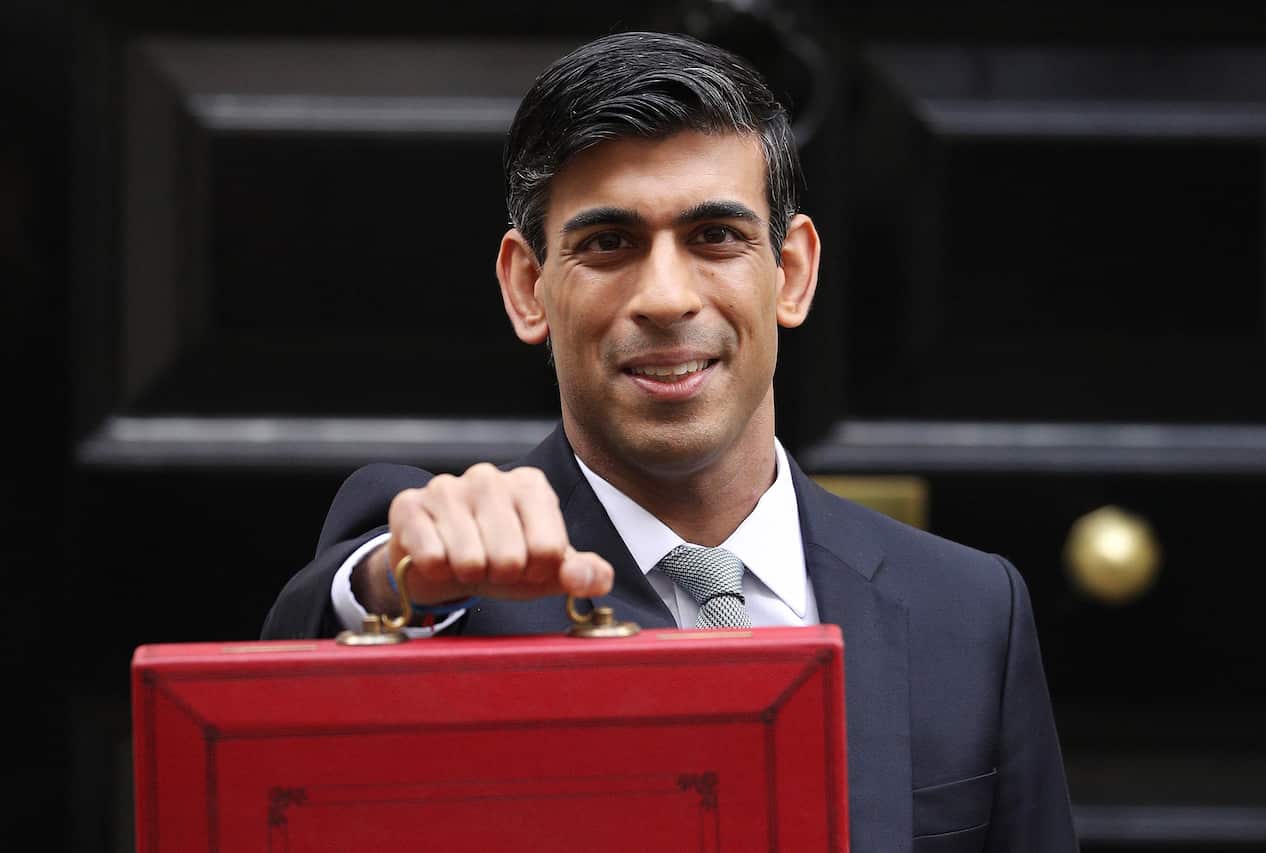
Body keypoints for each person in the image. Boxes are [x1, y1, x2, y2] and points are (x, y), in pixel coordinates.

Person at [263, 31, 1077, 851]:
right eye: (608, 243)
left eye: (714, 235)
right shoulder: (449, 581)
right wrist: (395, 586)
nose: (664, 296)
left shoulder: (972, 613)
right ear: (527, 287)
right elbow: (290, 694)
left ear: (790, 272)